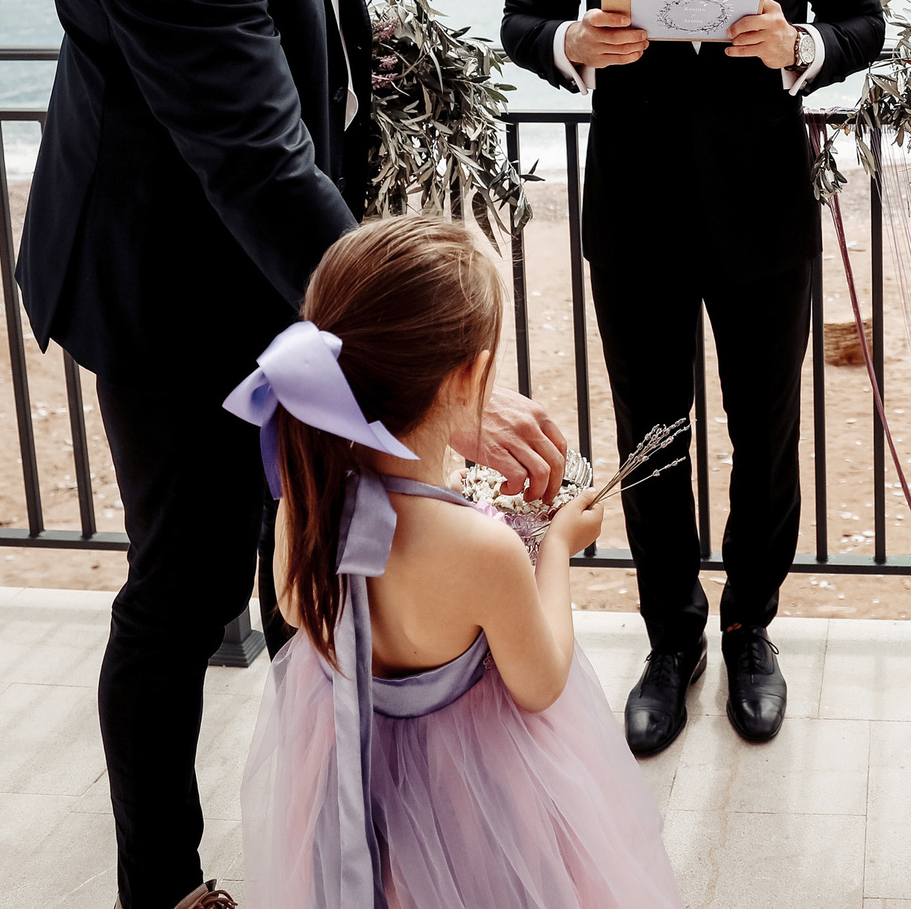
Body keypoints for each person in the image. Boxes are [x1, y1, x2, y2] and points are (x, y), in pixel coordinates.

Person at [15, 0, 570, 909]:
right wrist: (432, 364)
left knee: (309, 585)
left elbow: (312, 88)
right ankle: (164, 884)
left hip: (279, 288)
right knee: (183, 590)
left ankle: (329, 849)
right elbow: (257, 156)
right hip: (177, 302)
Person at [499, 0, 885, 754]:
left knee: (764, 436)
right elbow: (522, 19)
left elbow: (865, 23)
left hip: (764, 213)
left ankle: (751, 630)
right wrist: (572, 42)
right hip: (633, 215)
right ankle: (671, 641)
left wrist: (800, 45)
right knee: (651, 438)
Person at [233, 215, 682, 909]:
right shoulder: (479, 546)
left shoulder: (307, 493)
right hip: (474, 809)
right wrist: (557, 547)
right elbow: (539, 681)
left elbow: (297, 611)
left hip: (344, 793)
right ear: (470, 374)